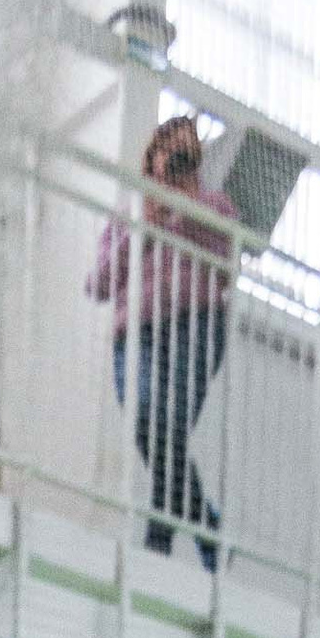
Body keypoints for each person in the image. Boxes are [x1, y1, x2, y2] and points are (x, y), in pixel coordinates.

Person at [89, 115, 235, 566]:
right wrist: (145, 227)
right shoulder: (130, 213)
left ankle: (160, 538)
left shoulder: (214, 206)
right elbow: (98, 284)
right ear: (151, 159)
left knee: (166, 431)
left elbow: (226, 259)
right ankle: (205, 526)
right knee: (148, 421)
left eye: (185, 154)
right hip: (137, 334)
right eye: (167, 152)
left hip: (196, 326)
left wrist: (185, 208)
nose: (175, 161)